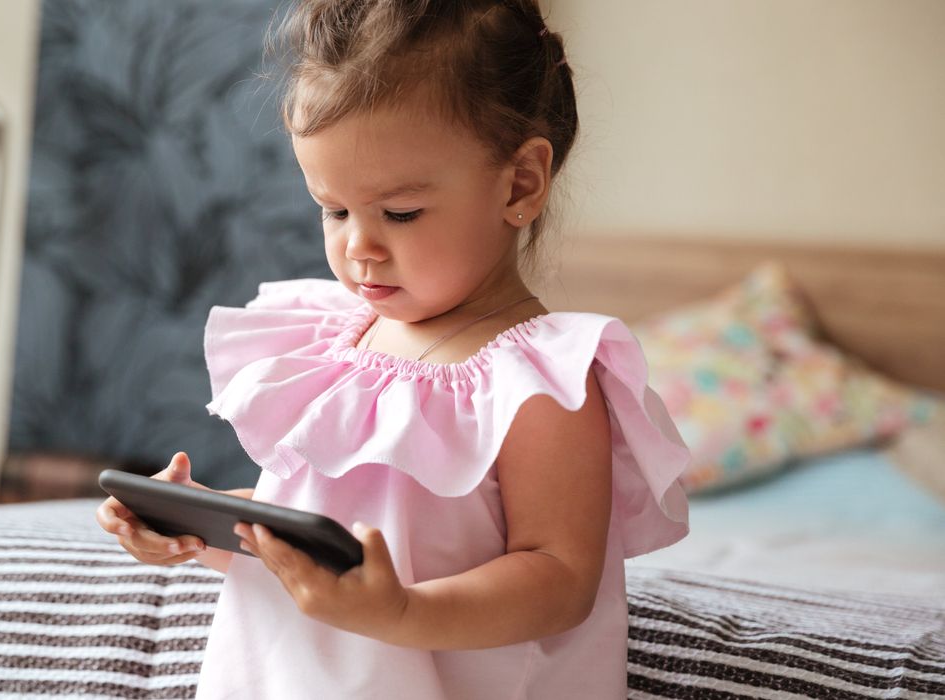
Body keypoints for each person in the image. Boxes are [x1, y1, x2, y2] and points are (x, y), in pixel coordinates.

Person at [97, 0, 690, 696]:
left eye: (399, 213)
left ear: (520, 183)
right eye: (334, 209)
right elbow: (329, 536)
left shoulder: (540, 380)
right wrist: (200, 522)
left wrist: (404, 612)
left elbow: (558, 581)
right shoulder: (335, 342)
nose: (358, 248)